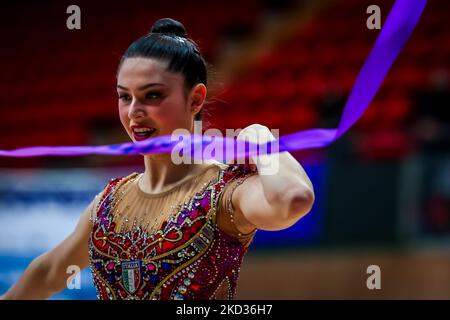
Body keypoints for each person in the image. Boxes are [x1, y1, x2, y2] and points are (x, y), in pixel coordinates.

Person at [0, 18, 314, 300]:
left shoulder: (227, 193)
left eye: (152, 95)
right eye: (125, 96)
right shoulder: (109, 202)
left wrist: (262, 140)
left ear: (195, 99)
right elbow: (49, 272)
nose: (133, 111)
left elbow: (293, 199)